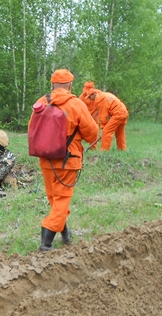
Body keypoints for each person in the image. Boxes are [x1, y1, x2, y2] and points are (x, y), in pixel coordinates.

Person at [29, 69, 99, 252]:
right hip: (68, 161)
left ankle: (65, 234)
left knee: (55, 199)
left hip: (46, 160)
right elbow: (92, 134)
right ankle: (46, 240)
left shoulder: (41, 103)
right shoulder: (76, 104)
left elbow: (32, 130)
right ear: (69, 86)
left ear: (52, 85)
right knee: (61, 200)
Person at [79, 81, 100, 150]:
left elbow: (99, 107)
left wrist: (93, 116)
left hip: (95, 116)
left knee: (94, 131)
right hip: (85, 116)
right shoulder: (82, 96)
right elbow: (79, 107)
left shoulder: (97, 95)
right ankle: (79, 146)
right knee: (80, 131)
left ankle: (93, 147)